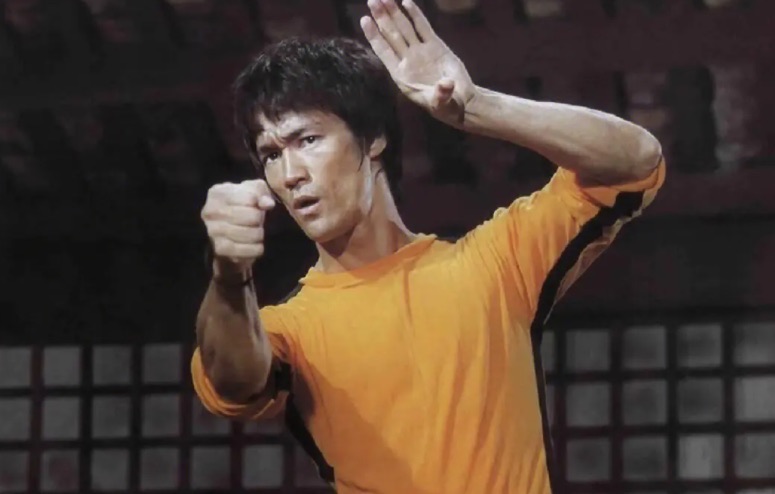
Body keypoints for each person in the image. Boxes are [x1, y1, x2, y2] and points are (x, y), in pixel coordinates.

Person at [191, 0, 666, 492]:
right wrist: (228, 273)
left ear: (372, 138)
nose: (290, 174)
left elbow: (636, 160)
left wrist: (478, 107)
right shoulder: (290, 330)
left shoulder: (494, 266)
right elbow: (234, 380)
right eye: (271, 154)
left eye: (307, 140)